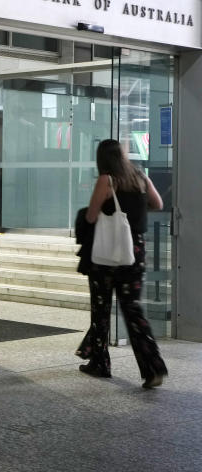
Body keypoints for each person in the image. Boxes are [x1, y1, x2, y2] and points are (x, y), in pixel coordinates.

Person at [76, 138, 167, 388]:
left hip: (105, 257)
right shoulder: (139, 176)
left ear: (102, 159)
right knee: (133, 309)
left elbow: (92, 215)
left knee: (101, 309)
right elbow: (158, 203)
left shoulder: (107, 179)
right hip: (133, 252)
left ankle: (100, 363)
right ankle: (153, 368)